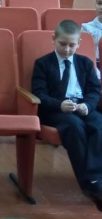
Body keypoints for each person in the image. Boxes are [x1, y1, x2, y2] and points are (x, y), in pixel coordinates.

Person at [32, 20, 102, 210]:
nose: (67, 49)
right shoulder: (43, 63)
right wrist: (59, 105)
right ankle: (91, 184)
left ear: (79, 43)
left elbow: (94, 90)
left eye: (72, 45)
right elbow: (39, 93)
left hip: (81, 106)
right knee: (74, 126)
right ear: (53, 39)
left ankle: (95, 177)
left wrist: (88, 105)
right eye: (63, 44)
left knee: (99, 124)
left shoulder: (85, 63)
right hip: (56, 110)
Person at [81, 0, 102, 65]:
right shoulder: (86, 28)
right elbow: (81, 53)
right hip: (92, 65)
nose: (101, 7)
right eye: (99, 3)